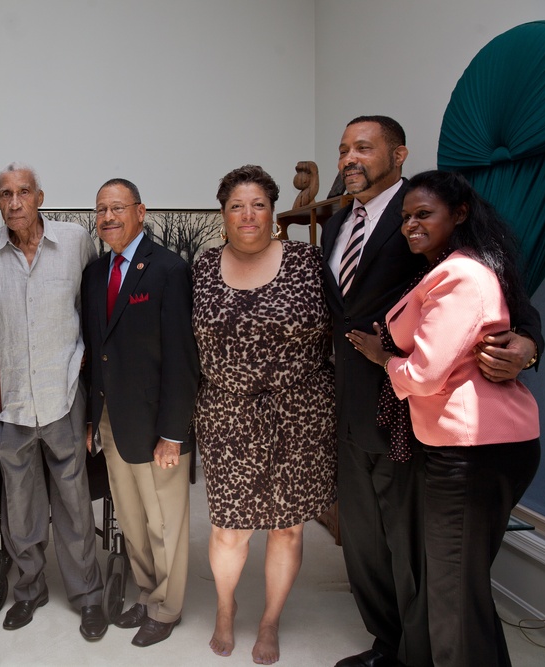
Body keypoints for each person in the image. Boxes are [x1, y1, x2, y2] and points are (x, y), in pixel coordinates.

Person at [322, 116, 542, 667]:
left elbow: (506, 294)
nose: (350, 158)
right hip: (349, 408)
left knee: (416, 551)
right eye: (344, 148)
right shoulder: (333, 226)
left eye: (363, 148)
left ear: (398, 155)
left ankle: (416, 652)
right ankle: (387, 645)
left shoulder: (434, 221)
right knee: (366, 545)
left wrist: (529, 344)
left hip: (411, 416)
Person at [193, 165, 336, 664]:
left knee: (287, 527)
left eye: (257, 204)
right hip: (227, 416)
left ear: (273, 212)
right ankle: (227, 609)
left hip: (300, 415)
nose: (247, 214)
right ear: (223, 214)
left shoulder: (310, 263)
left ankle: (271, 619)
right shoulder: (203, 268)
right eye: (236, 205)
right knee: (230, 527)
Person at [0, 163, 107, 640]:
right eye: (5, 193)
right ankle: (29, 591)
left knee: (73, 503)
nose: (14, 201)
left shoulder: (74, 242)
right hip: (10, 404)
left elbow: (89, 308)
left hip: (63, 394)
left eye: (23, 192)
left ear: (40, 196)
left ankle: (87, 595)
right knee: (20, 506)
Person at [81, 178, 199, 647]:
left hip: (156, 425)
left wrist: (173, 431)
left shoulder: (168, 269)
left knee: (163, 521)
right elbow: (97, 350)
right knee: (131, 519)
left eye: (117, 207)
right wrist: (93, 416)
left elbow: (182, 357)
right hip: (110, 420)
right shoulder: (94, 274)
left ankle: (167, 609)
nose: (108, 217)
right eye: (101, 209)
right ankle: (148, 595)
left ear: (140, 212)